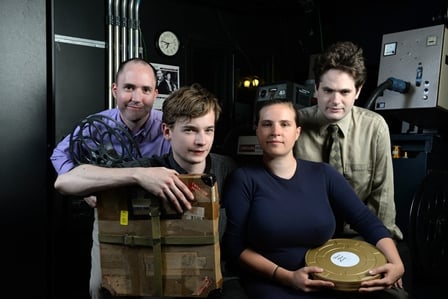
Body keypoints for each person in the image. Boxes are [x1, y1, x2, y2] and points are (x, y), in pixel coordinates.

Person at [53, 80, 247, 298]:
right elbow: (65, 182)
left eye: (208, 130)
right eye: (190, 130)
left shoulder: (228, 169)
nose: (202, 141)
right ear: (167, 131)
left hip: (215, 281)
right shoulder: (149, 168)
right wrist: (138, 175)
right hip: (157, 281)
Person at [222, 99, 406, 299]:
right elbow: (235, 247)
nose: (275, 131)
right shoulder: (243, 179)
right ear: (257, 130)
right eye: (267, 124)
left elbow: (366, 220)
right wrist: (288, 277)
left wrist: (396, 263)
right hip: (273, 282)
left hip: (331, 280)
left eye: (285, 124)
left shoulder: (323, 174)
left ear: (297, 132)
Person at [51, 58, 195, 299]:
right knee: (102, 288)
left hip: (159, 216)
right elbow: (60, 154)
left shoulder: (168, 126)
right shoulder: (97, 124)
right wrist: (87, 188)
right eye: (129, 88)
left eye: (146, 90)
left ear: (155, 93)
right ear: (115, 90)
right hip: (111, 214)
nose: (137, 98)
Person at [294, 41, 403, 241]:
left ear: (358, 92)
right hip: (306, 233)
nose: (336, 101)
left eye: (344, 92)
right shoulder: (293, 124)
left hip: (358, 235)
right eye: (328, 91)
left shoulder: (375, 128)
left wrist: (382, 246)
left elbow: (382, 197)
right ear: (316, 89)